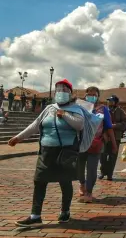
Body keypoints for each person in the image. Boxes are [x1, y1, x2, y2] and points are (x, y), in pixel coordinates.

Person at [8, 79, 86, 227]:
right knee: (39, 180)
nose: (61, 92)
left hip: (65, 151)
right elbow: (35, 125)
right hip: (46, 151)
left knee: (65, 181)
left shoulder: (76, 109)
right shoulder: (49, 108)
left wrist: (65, 115)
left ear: (70, 93)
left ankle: (65, 211)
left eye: (64, 90)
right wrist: (18, 137)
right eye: (58, 90)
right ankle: (35, 215)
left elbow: (80, 125)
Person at [78, 87, 117, 203]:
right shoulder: (79, 107)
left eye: (94, 94)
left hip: (96, 143)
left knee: (92, 169)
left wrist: (114, 144)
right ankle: (82, 184)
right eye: (89, 94)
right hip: (80, 143)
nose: (91, 96)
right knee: (78, 168)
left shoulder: (103, 109)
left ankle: (89, 193)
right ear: (85, 95)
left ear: (98, 96)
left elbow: (109, 127)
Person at [100, 95, 126, 180]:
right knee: (102, 155)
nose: (109, 102)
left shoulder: (121, 111)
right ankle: (103, 172)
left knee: (113, 156)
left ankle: (110, 174)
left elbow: (125, 122)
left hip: (116, 137)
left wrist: (115, 125)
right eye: (108, 101)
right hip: (104, 136)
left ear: (116, 102)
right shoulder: (104, 110)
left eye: (111, 101)